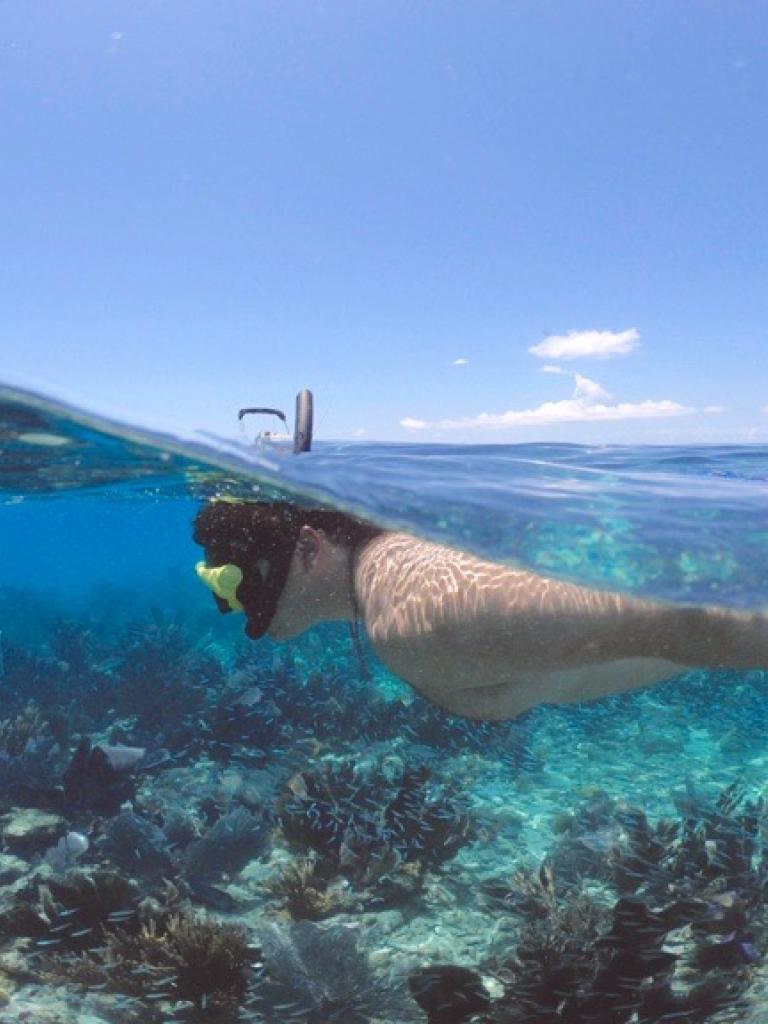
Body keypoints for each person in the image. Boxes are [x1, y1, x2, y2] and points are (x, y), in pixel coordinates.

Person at [193, 500, 768, 721]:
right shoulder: (397, 595)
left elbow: (692, 619)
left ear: (310, 545)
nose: (229, 603)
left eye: (232, 578)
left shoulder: (411, 612)